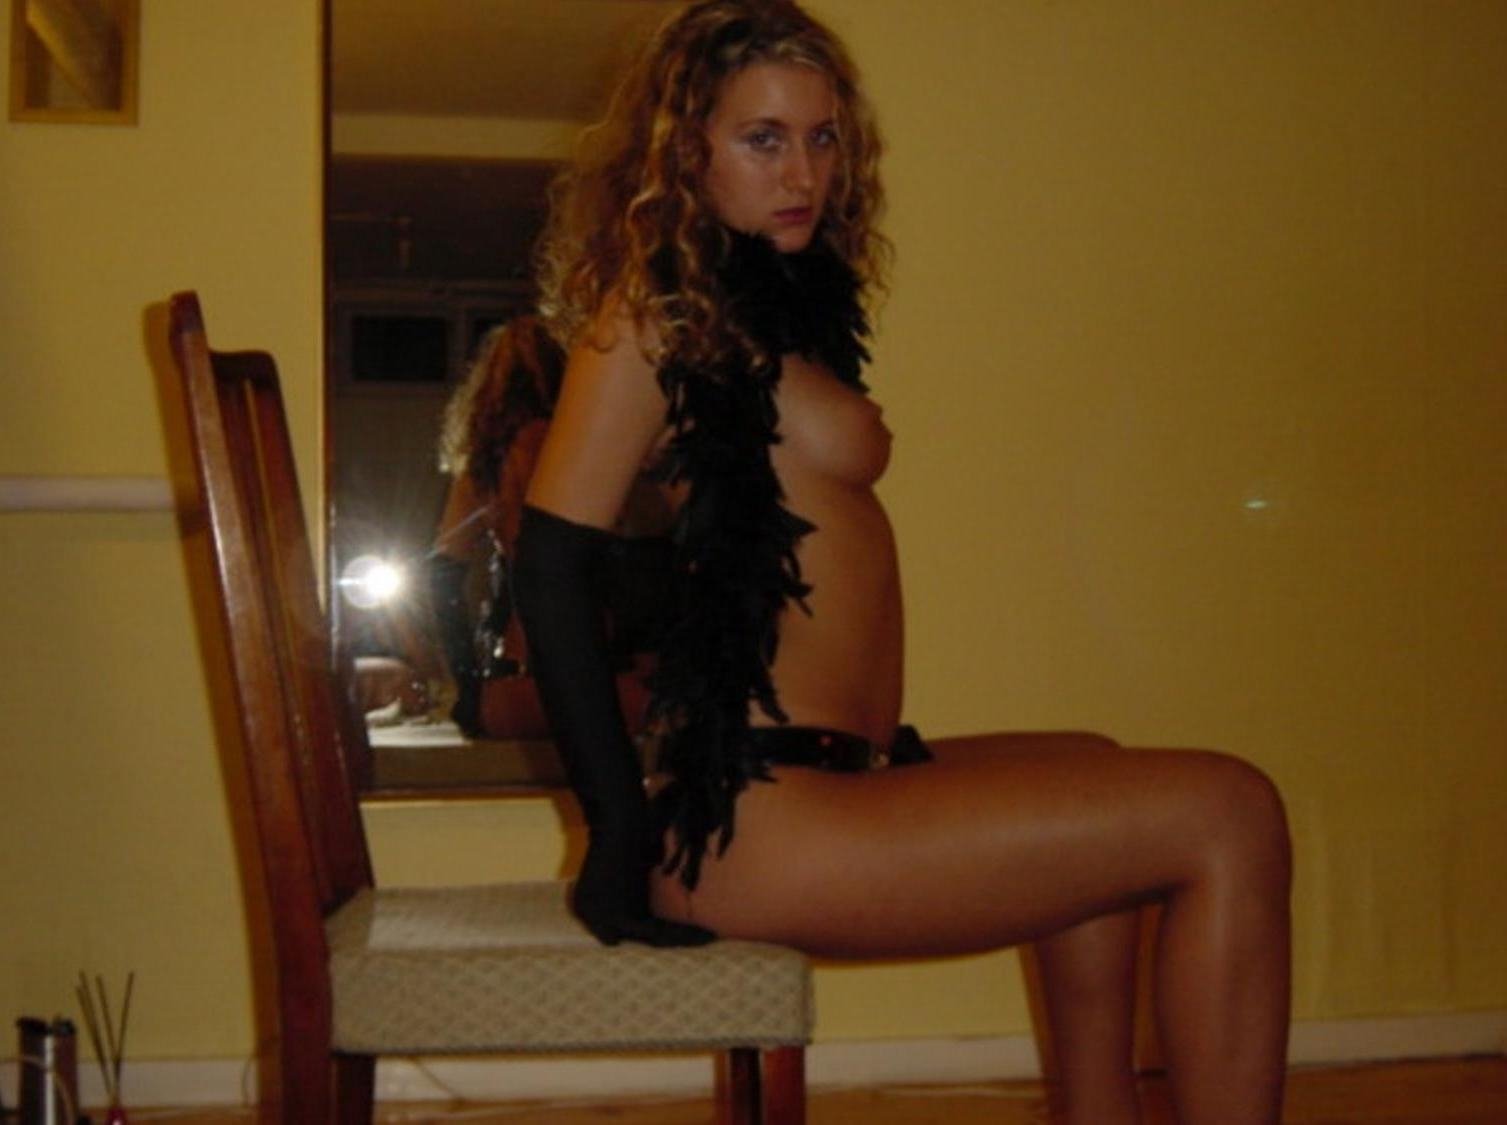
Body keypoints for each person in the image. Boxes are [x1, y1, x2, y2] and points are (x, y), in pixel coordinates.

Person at [512, 3, 1292, 1122]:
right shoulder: (649, 318)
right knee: (1230, 809)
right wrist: (612, 831)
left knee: (1092, 763)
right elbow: (550, 571)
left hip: (843, 775)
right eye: (763, 138)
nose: (802, 172)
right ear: (686, 152)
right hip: (757, 815)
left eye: (822, 138)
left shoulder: (767, 315)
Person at [428, 316, 667, 738]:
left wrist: (466, 680)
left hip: (514, 682)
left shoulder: (485, 467)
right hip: (602, 675)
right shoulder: (593, 451)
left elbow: (442, 573)